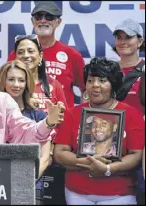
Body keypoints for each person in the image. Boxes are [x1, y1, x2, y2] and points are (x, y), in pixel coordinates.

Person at [53, 57, 145, 205]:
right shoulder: (72, 113)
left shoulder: (132, 115)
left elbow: (136, 155)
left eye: (102, 80)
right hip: (77, 192)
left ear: (113, 84)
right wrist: (87, 162)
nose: (95, 85)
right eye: (90, 81)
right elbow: (59, 153)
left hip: (119, 194)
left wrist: (108, 168)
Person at [0, 60, 53, 205]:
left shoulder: (39, 116)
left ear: (27, 83)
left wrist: (26, 181)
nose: (16, 84)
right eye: (11, 79)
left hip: (30, 186)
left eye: (21, 80)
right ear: (3, 81)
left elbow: (45, 157)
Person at [7, 1, 85, 108]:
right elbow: (6, 87)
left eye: (49, 17)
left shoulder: (72, 55)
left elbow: (86, 89)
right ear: (32, 21)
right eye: (38, 17)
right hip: (24, 119)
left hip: (61, 121)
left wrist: (81, 116)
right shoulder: (17, 54)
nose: (43, 20)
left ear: (58, 22)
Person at [112, 19, 145, 205]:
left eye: (128, 37)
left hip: (140, 146)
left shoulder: (145, 71)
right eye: (119, 37)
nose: (123, 41)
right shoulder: (107, 70)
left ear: (140, 41)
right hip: (110, 146)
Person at [14, 34, 68, 112]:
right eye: (20, 52)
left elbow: (65, 119)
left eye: (30, 51)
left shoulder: (55, 85)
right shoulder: (10, 86)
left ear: (40, 56)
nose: (25, 55)